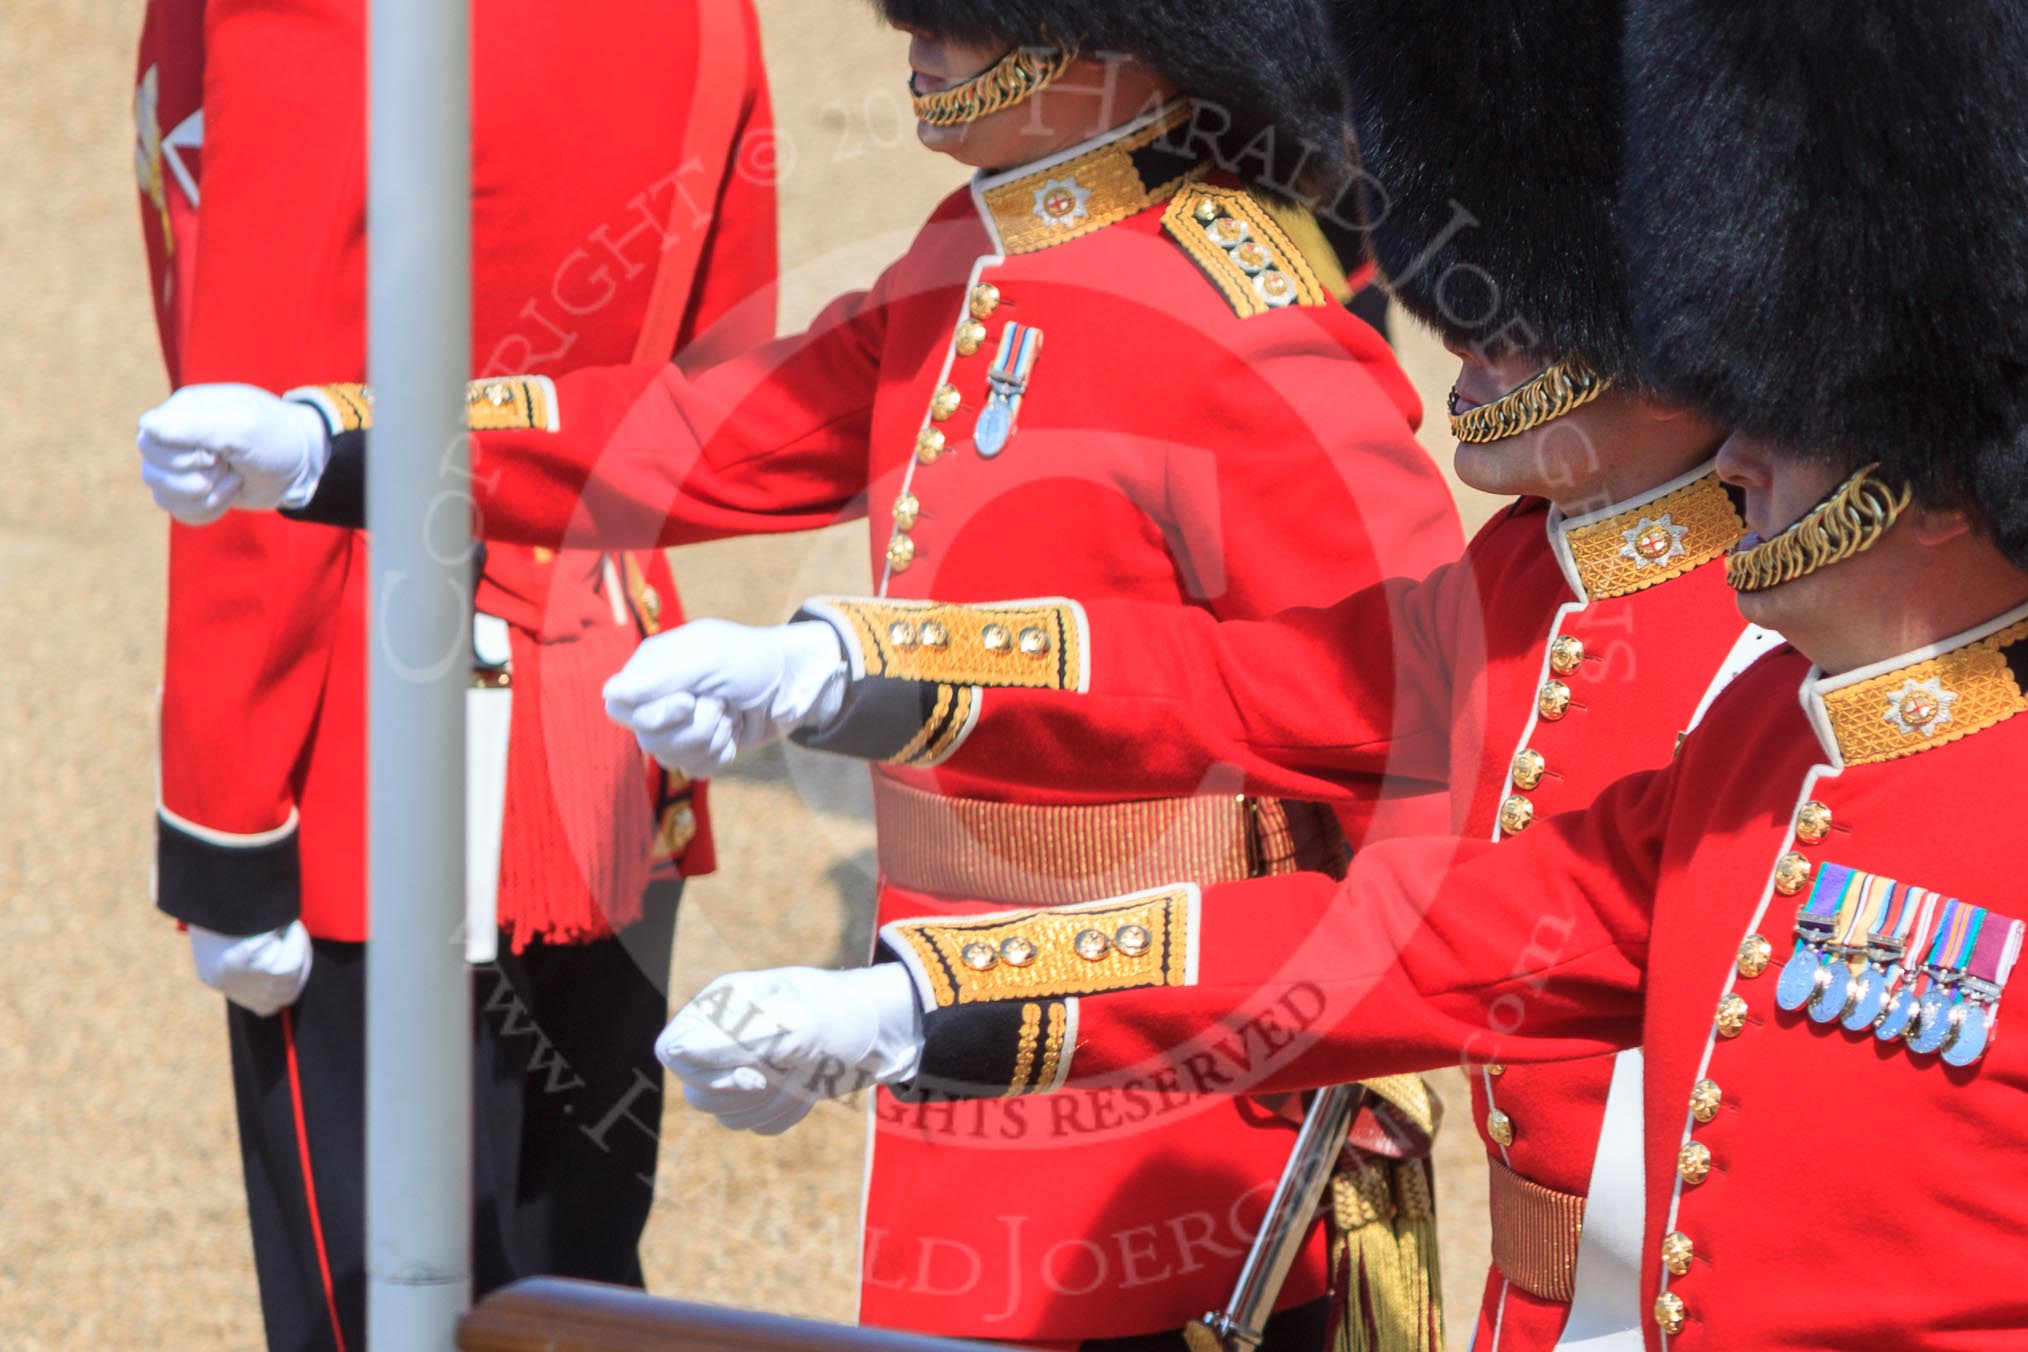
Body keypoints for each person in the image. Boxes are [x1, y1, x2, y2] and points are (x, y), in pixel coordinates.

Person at [650, 1, 2028, 1347]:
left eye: (1791, 426)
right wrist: (924, 984)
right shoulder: (1759, 733)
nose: (1740, 455)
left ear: (1940, 478)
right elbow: (1390, 896)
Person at [130, 2, 1465, 1343]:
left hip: (1179, 1087)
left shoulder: (1240, 316)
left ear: (1112, 42)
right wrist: (337, 443)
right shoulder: (970, 253)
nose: (919, 44)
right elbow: (707, 431)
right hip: (966, 1056)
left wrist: (885, 670)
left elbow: (1398, 715)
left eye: (966, 20)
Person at [131, 2, 776, 1347]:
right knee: (570, 1280)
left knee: (379, 1308)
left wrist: (225, 825)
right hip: (611, 674)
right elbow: (723, 363)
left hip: (372, 713)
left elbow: (266, 396)